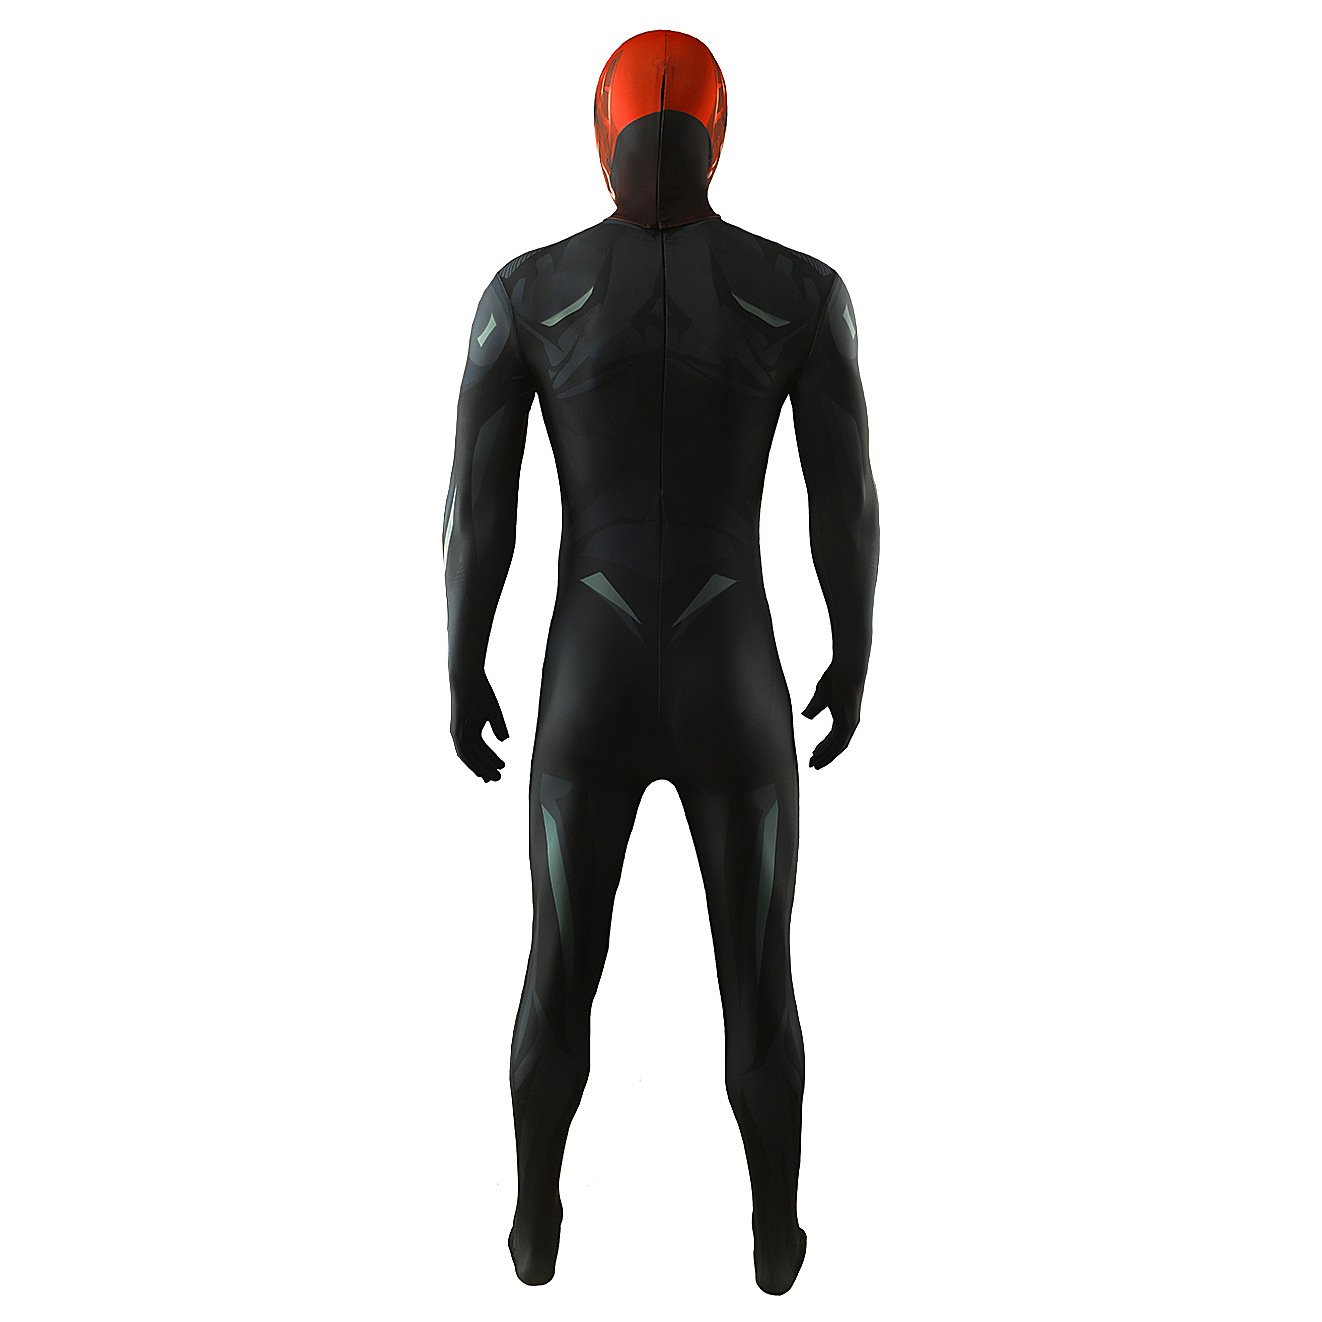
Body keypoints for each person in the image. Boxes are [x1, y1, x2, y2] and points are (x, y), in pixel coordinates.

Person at [443, 28, 879, 1295]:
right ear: (717, 134)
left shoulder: (526, 293)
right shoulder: (800, 293)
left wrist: (460, 660)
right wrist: (853, 647)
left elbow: (477, 511)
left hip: (585, 670)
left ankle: (534, 1216)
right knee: (758, 980)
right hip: (730, 668)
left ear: (601, 129)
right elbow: (843, 502)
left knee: (556, 966)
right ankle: (776, 1234)